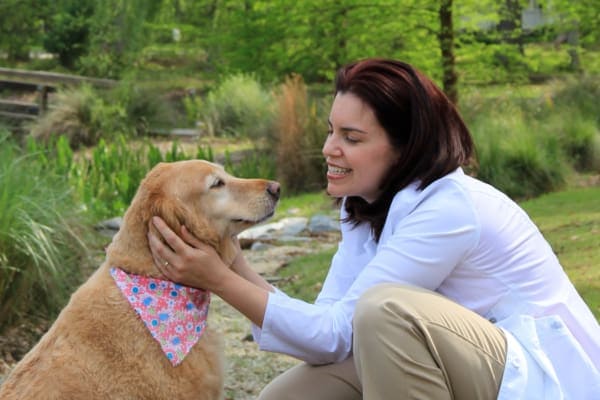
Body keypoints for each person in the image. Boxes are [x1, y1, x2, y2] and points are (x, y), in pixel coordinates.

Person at [147, 58, 600, 399]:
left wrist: (218, 280)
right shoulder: (363, 208)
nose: (329, 149)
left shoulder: (450, 209)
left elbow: (352, 326)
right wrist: (234, 261)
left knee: (385, 311)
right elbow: (327, 333)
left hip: (543, 376)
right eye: (331, 131)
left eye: (352, 138)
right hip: (465, 363)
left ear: (404, 149)